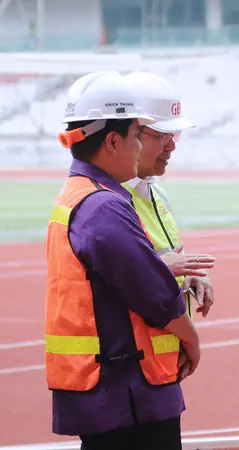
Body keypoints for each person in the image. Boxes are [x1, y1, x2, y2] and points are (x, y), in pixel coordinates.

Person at [45, 70, 202, 450]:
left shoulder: (80, 195)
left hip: (111, 387)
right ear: (113, 140)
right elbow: (151, 292)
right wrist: (191, 339)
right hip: (128, 388)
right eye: (138, 136)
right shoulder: (104, 206)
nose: (140, 147)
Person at [122, 71, 216, 318]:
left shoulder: (155, 193)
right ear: (130, 134)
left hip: (162, 354)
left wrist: (190, 274)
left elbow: (168, 260)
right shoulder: (106, 201)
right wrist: (189, 338)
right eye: (162, 136)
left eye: (174, 135)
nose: (172, 146)